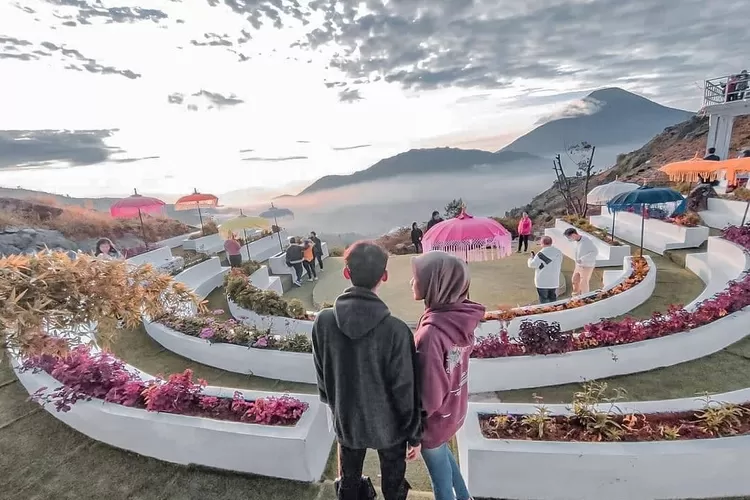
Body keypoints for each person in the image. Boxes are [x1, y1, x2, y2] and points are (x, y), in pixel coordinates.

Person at [312, 241, 421, 500]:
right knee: (394, 489)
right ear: (384, 276)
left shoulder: (323, 321)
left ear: (346, 273)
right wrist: (414, 435)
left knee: (348, 484)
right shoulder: (396, 331)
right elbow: (405, 390)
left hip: (347, 419)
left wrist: (336, 407)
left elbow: (322, 375)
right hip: (391, 426)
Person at [409, 251, 484, 500]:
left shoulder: (430, 335)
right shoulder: (459, 317)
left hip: (435, 420)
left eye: (416, 277)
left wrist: (414, 433)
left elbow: (428, 397)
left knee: (441, 485)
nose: (411, 282)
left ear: (434, 283)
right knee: (445, 458)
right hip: (453, 412)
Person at [527, 236, 563, 304]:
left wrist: (531, 258)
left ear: (542, 243)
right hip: (553, 280)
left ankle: (546, 313)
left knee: (544, 301)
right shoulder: (558, 252)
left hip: (542, 281)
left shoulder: (541, 254)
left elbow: (532, 264)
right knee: (553, 300)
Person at [563, 228, 597, 295]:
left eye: (569, 237)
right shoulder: (576, 242)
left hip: (587, 266)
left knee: (583, 283)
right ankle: (576, 296)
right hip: (578, 265)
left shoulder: (587, 241)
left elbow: (595, 252)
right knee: (575, 280)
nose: (569, 239)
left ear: (573, 235)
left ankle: (585, 297)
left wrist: (582, 259)